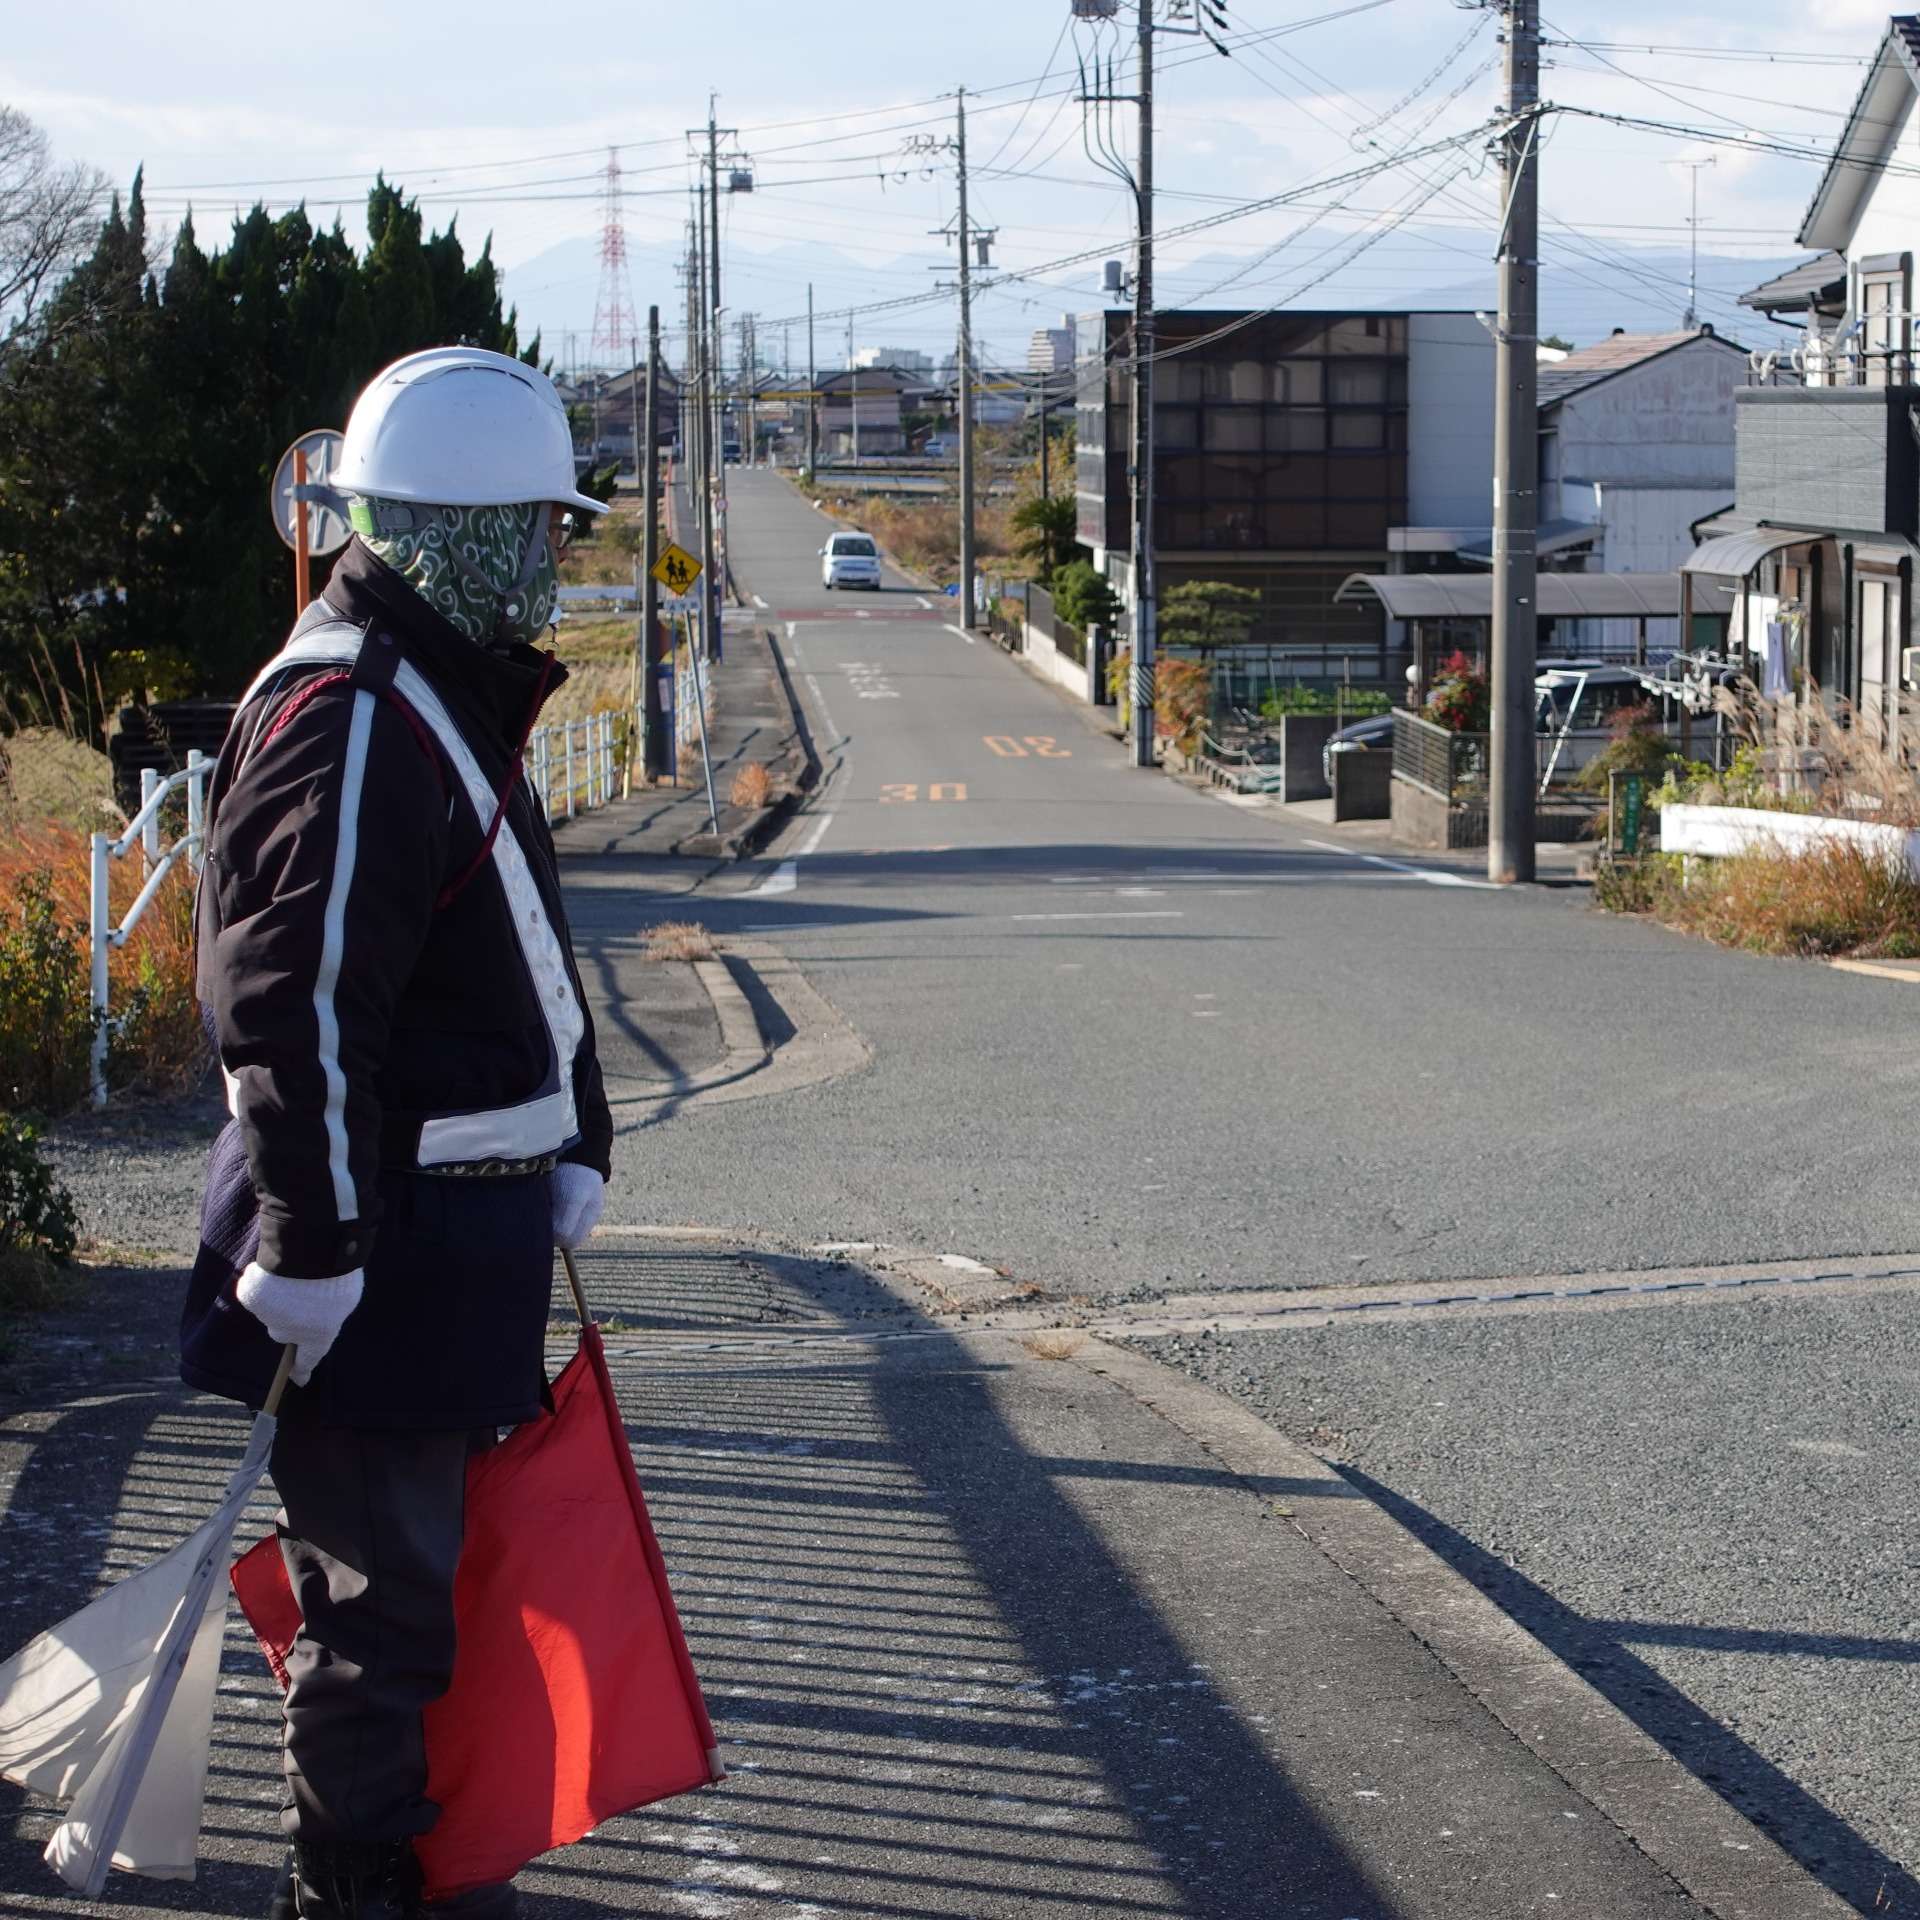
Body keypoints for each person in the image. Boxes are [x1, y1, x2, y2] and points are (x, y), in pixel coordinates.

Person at [179, 346, 615, 1920]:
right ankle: (355, 1892)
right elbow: (291, 1001)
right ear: (471, 527)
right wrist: (310, 1239)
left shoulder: (428, 680)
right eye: (542, 530)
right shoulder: (359, 705)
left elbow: (507, 948)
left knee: (416, 1597)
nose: (558, 561)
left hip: (436, 1249)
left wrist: (576, 1136)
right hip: (381, 1253)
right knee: (379, 1615)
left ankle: (402, 1870)